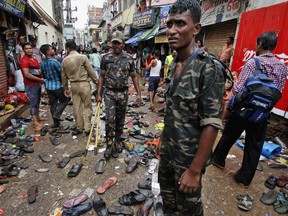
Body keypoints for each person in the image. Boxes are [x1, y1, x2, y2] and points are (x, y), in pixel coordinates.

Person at [156, 0, 225, 215]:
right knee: (168, 204)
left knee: (189, 209)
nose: (172, 31)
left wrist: (195, 171)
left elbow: (212, 124)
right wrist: (161, 139)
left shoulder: (209, 68)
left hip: (188, 160)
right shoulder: (174, 63)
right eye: (169, 24)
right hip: (168, 153)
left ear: (196, 29)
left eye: (180, 24)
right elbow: (172, 109)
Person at [212, 32, 288, 188]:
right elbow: (278, 92)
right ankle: (244, 180)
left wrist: (229, 107)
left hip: (243, 110)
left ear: (260, 44)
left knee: (228, 135)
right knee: (254, 146)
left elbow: (238, 88)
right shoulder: (282, 67)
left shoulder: (254, 63)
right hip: (262, 114)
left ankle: (218, 161)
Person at [97, 31, 142, 160]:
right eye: (114, 43)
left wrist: (139, 94)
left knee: (120, 120)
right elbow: (101, 76)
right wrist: (99, 94)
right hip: (109, 93)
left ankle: (117, 141)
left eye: (118, 43)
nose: (116, 46)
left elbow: (134, 76)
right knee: (110, 120)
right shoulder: (106, 58)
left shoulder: (129, 59)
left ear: (123, 44)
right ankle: (109, 145)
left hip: (123, 93)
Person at [62, 41, 98, 136]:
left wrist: (65, 87)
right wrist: (96, 82)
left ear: (68, 48)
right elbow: (91, 71)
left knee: (77, 107)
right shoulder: (83, 57)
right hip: (84, 84)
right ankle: (87, 128)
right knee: (87, 106)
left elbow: (64, 76)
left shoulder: (65, 60)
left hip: (73, 85)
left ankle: (79, 127)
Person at [40, 44, 69, 128]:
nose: (53, 50)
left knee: (53, 104)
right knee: (65, 100)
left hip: (49, 86)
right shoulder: (54, 62)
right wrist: (65, 86)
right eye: (51, 49)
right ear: (48, 52)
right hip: (57, 86)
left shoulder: (42, 64)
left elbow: (44, 76)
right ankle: (57, 114)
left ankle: (56, 124)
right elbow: (61, 74)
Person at [20, 42, 45, 131]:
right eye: (26, 49)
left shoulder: (33, 59)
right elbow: (27, 74)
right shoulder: (24, 60)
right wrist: (40, 80)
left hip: (37, 84)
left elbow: (38, 70)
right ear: (23, 50)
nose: (29, 50)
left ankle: (37, 117)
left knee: (37, 102)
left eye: (30, 48)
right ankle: (35, 123)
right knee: (33, 104)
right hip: (30, 85)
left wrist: (40, 78)